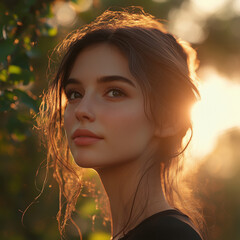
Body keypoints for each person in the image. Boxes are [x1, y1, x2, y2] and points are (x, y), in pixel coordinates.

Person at [38, 6, 205, 240]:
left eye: (115, 92)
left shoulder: (170, 235)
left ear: (168, 119)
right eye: (75, 94)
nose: (82, 110)